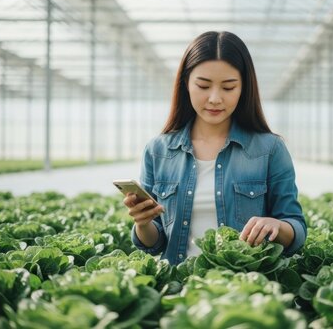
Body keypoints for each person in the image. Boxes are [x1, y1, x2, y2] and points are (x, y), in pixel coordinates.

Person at [123, 31, 307, 266]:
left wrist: (278, 226)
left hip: (242, 288)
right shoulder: (158, 151)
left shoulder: (269, 149)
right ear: (186, 84)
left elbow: (297, 229)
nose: (214, 98)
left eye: (229, 87)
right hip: (179, 286)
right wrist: (143, 224)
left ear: (244, 88)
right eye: (203, 85)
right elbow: (154, 244)